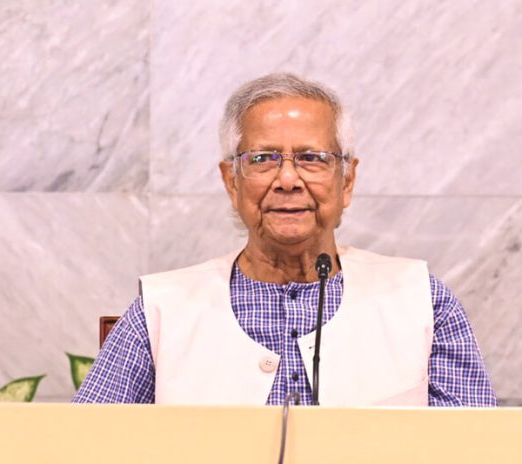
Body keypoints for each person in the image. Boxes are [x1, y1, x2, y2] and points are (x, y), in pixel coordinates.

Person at [73, 73, 497, 407]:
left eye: (312, 158)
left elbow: (477, 449)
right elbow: (82, 447)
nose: (288, 179)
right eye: (263, 159)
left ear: (347, 180)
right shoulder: (161, 310)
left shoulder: (423, 301)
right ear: (232, 181)